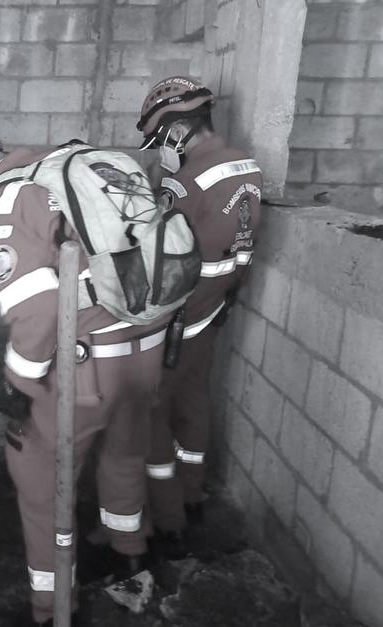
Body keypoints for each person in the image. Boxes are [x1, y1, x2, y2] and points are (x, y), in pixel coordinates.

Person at [0, 128, 169, 626]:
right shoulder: (66, 164)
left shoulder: (5, 205)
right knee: (124, 448)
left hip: (89, 365)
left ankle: (52, 605)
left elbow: (35, 315)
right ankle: (129, 553)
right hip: (149, 347)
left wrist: (17, 384)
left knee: (36, 471)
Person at [135, 76, 262, 555]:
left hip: (177, 314)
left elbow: (157, 246)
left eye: (158, 141)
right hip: (216, 307)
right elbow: (242, 246)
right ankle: (192, 494)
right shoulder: (246, 166)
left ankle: (167, 517)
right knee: (194, 401)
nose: (158, 151)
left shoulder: (184, 180)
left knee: (153, 413)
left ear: (176, 131)